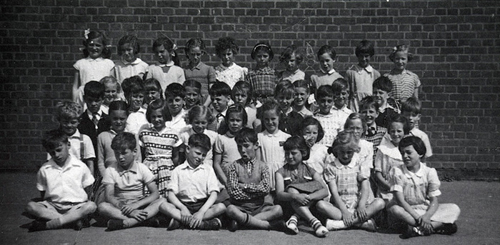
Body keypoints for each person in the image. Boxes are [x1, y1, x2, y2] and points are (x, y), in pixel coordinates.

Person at [388, 136, 460, 238]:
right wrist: (419, 218)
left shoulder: (429, 172)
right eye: (402, 153)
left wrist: (426, 216)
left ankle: (417, 229)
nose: (405, 156)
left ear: (420, 153)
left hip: (424, 210)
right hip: (406, 210)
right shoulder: (397, 171)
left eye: (409, 152)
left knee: (454, 208)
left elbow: (434, 200)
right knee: (394, 209)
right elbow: (401, 201)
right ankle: (437, 225)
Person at [25, 129, 96, 232]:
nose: (56, 155)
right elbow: (43, 192)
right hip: (53, 206)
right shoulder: (45, 169)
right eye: (52, 153)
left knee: (91, 206)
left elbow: (88, 188)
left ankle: (51, 224)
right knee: (30, 206)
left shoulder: (80, 166)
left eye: (59, 150)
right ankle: (71, 221)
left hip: (75, 206)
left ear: (68, 145)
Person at [318, 131, 384, 232]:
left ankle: (340, 224)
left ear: (354, 150)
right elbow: (334, 192)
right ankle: (361, 223)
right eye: (342, 152)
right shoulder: (331, 167)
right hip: (340, 206)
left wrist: (361, 205)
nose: (345, 156)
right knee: (320, 205)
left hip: (358, 205)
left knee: (380, 202)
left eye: (349, 152)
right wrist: (344, 211)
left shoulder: (359, 164)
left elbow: (365, 186)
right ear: (336, 151)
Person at [97, 132, 165, 231]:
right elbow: (109, 196)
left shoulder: (141, 168)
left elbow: (155, 193)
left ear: (134, 151)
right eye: (117, 153)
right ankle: (144, 220)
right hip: (121, 207)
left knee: (162, 200)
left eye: (124, 153)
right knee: (102, 207)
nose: (120, 157)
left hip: (139, 205)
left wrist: (136, 205)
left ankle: (128, 222)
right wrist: (129, 211)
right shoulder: (110, 170)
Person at [159, 134, 226, 230]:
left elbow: (214, 194)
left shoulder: (208, 169)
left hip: (202, 205)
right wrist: (182, 208)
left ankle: (183, 222)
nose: (200, 157)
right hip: (184, 205)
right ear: (187, 149)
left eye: (203, 155)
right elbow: (171, 194)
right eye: (198, 153)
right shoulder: (178, 170)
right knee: (163, 206)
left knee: (221, 207)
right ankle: (203, 224)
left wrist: (201, 212)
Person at [225, 128, 285, 231]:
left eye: (246, 146)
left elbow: (265, 189)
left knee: (278, 209)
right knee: (230, 209)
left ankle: (242, 223)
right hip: (240, 207)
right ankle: (266, 225)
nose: (242, 150)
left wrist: (244, 186)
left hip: (259, 207)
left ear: (256, 145)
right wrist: (255, 191)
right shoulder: (234, 166)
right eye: (239, 147)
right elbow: (234, 192)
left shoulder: (263, 166)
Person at [275, 136, 329, 237]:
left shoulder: (311, 171)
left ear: (303, 153)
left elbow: (325, 191)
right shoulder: (280, 172)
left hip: (308, 205)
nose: (289, 156)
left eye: (293, 153)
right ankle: (315, 223)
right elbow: (279, 194)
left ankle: (296, 217)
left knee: (316, 193)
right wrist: (295, 197)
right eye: (287, 153)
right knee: (291, 190)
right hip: (289, 207)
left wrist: (308, 197)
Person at [94, 101, 141, 203]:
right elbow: (100, 163)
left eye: (122, 119)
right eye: (115, 119)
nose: (118, 122)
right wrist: (108, 178)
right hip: (109, 179)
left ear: (127, 118)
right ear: (110, 118)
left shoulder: (133, 136)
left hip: (130, 180)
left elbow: (138, 159)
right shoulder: (102, 136)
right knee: (103, 203)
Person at [139, 99, 182, 197]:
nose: (156, 119)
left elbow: (175, 156)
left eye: (159, 116)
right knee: (149, 193)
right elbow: (141, 154)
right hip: (148, 167)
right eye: (153, 116)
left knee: (166, 195)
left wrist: (170, 167)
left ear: (165, 116)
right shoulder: (144, 133)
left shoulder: (173, 134)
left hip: (167, 168)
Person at [73, 30, 114, 108]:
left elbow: (112, 84)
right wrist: (74, 103)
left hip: (102, 100)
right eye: (91, 45)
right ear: (86, 46)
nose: (94, 48)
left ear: (103, 47)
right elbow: (75, 86)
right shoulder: (80, 64)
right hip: (85, 100)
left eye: (98, 45)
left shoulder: (108, 64)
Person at [374, 115, 410, 203]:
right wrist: (389, 186)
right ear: (389, 132)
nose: (395, 134)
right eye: (392, 131)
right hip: (387, 189)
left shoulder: (408, 149)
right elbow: (377, 173)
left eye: (399, 131)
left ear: (405, 132)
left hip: (405, 188)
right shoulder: (383, 149)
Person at [53, 101, 95, 175]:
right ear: (60, 121)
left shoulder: (85, 139)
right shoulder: (55, 139)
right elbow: (50, 161)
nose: (69, 125)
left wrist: (90, 182)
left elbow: (90, 164)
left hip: (79, 178)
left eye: (73, 122)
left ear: (79, 121)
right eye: (65, 122)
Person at [257, 100, 291, 191]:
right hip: (265, 175)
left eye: (273, 119)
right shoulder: (259, 137)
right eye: (266, 119)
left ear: (279, 118)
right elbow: (258, 161)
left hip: (283, 175)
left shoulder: (286, 137)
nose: (270, 122)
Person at [212, 104, 246, 187]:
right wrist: (226, 182)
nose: (235, 123)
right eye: (232, 120)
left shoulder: (247, 139)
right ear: (227, 121)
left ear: (243, 122)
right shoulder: (221, 139)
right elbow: (216, 163)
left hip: (244, 179)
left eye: (238, 120)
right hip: (226, 180)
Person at [345, 40, 381, 112]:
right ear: (357, 56)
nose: (364, 59)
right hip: (354, 107)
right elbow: (346, 93)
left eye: (366, 56)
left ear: (371, 56)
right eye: (361, 56)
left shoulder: (375, 74)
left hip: (370, 109)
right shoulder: (351, 73)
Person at [78, 81, 109, 154]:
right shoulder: (80, 121)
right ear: (84, 99)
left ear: (103, 99)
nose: (93, 104)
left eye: (97, 100)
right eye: (90, 100)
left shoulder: (108, 121)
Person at [183, 38, 216, 104]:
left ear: (202, 53)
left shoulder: (209, 69)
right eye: (192, 54)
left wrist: (205, 106)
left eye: (198, 54)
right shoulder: (184, 70)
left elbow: (212, 91)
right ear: (188, 53)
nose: (195, 57)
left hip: (205, 103)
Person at [401, 97, 432, 162]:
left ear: (418, 117)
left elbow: (424, 160)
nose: (410, 118)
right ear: (402, 115)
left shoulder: (422, 136)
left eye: (413, 115)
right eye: (407, 115)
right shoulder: (397, 134)